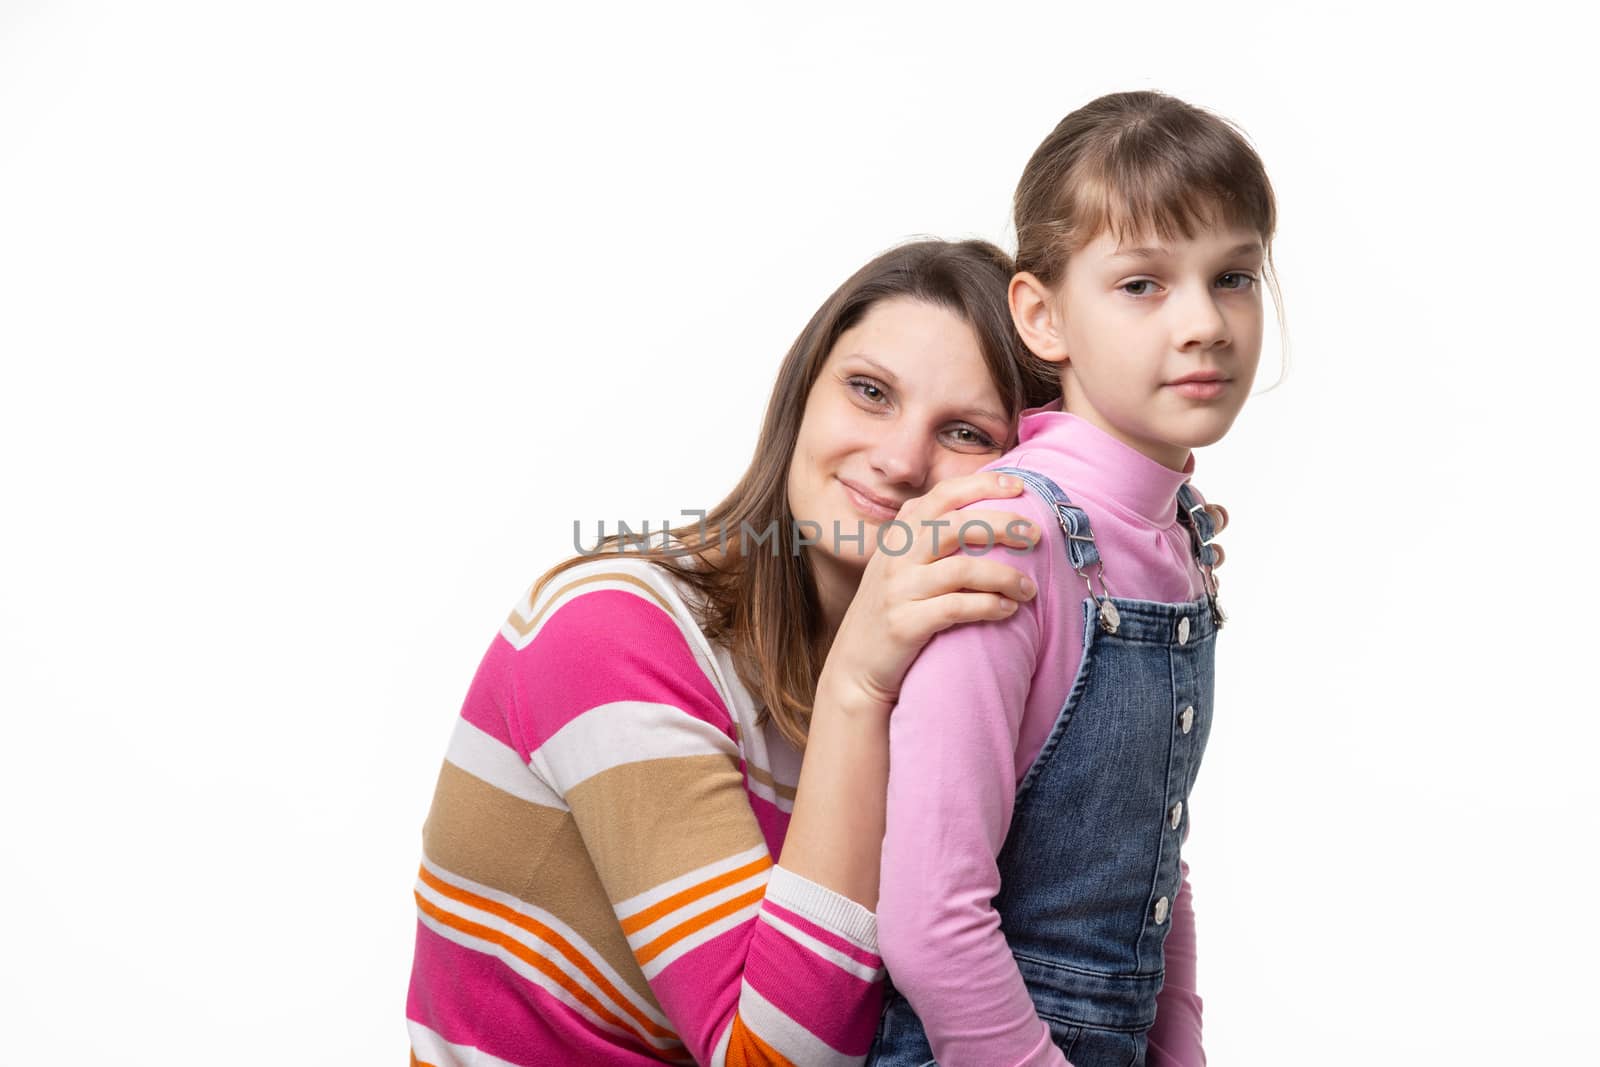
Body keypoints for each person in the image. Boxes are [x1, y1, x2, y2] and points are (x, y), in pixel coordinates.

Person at [406, 237, 1230, 1066]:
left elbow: (1115, 888)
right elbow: (767, 1059)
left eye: (966, 432)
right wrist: (855, 688)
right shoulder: (609, 633)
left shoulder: (956, 679)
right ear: (802, 393)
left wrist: (1128, 554)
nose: (901, 459)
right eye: (869, 392)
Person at [869, 91, 1277, 1067]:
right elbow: (931, 922)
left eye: (1232, 276)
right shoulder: (1010, 538)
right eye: (1141, 283)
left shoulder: (1175, 535)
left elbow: (1149, 855)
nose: (1204, 323)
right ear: (1042, 316)